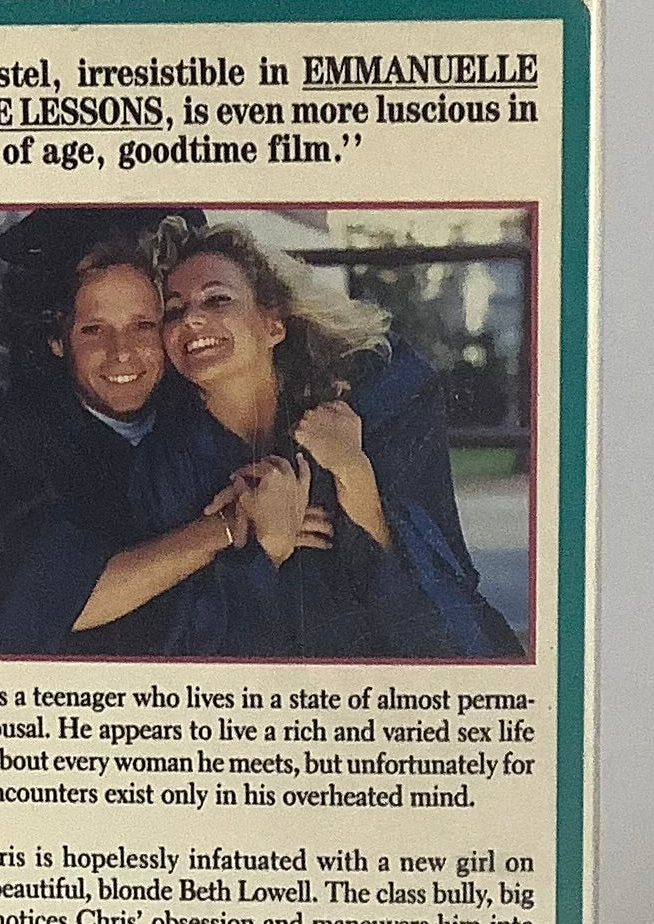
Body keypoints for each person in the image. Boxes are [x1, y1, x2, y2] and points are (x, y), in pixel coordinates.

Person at [121, 219, 524, 658]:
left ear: (273, 326)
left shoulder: (369, 410)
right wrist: (266, 549)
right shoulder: (164, 465)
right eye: (174, 310)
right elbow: (179, 651)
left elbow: (445, 616)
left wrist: (353, 473)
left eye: (217, 299)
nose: (192, 318)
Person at [0, 208, 232, 655]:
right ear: (58, 340)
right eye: (94, 330)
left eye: (143, 326)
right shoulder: (18, 437)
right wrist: (225, 529)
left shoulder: (189, 419)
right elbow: (56, 600)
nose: (121, 353)